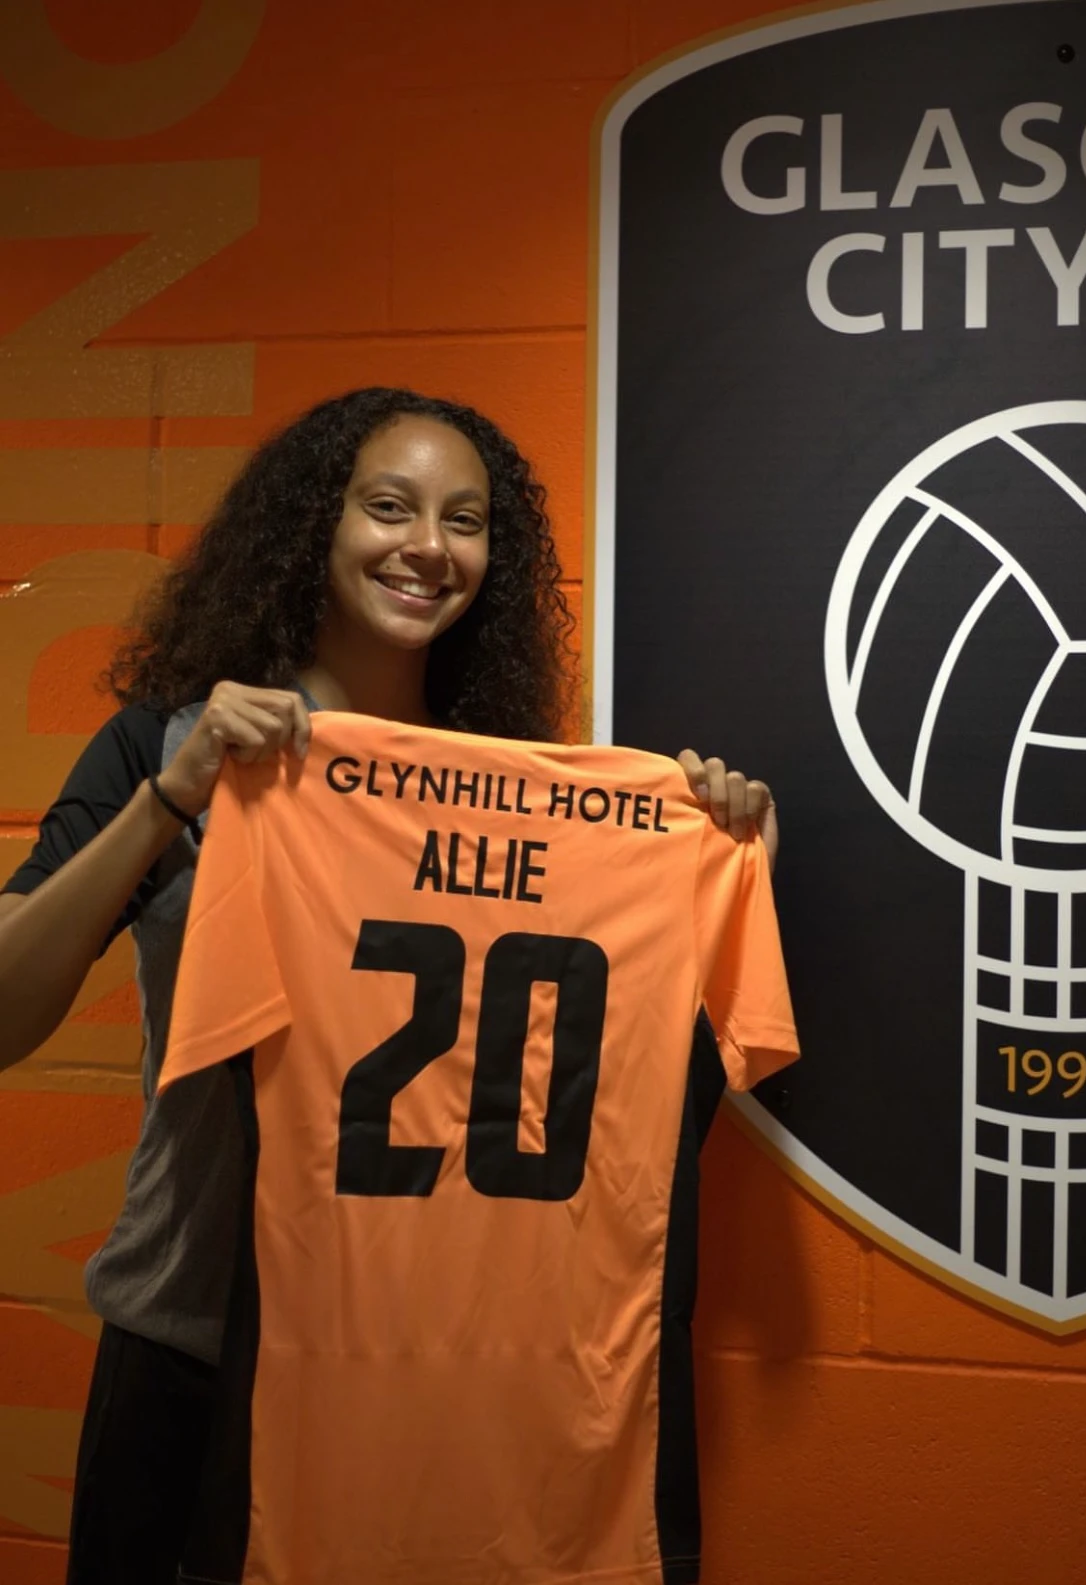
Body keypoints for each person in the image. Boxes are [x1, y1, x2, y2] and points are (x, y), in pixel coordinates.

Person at [0, 387, 778, 1584]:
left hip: (425, 1371)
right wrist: (170, 799)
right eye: (388, 506)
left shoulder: (530, 792)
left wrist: (713, 850)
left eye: (465, 520)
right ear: (314, 522)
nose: (428, 545)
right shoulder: (177, 745)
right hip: (193, 1353)